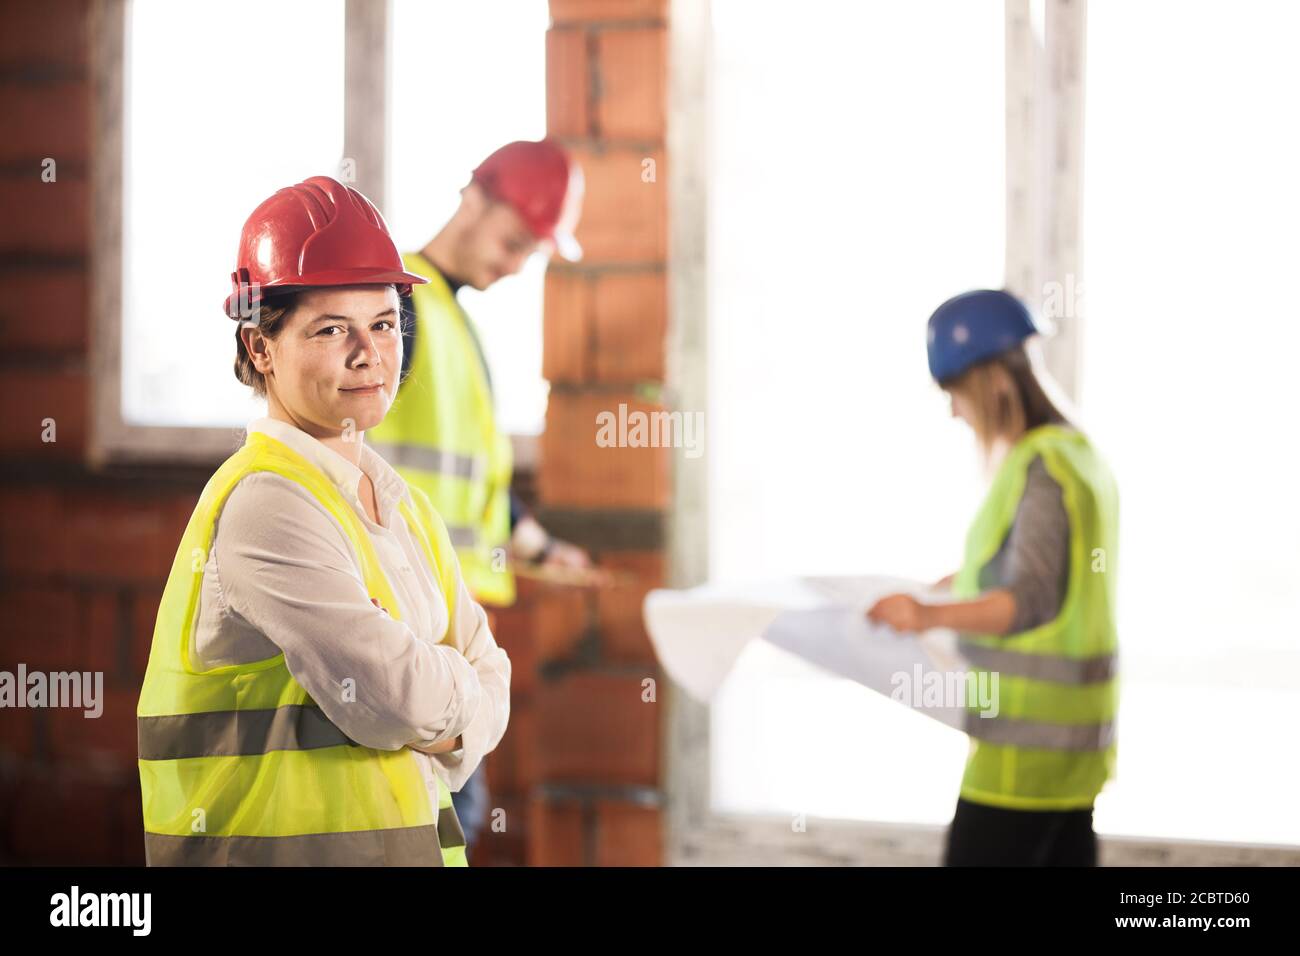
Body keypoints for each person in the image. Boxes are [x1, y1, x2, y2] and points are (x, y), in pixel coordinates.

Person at [136, 175, 511, 866]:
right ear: (260, 350)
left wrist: (441, 705)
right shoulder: (266, 505)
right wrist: (452, 699)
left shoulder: (405, 510)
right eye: (332, 329)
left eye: (384, 324)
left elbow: (492, 682)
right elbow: (398, 698)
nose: (369, 353)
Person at [365, 139, 597, 852]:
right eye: (512, 241)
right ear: (473, 197)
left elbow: (476, 493)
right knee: (427, 835)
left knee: (444, 833)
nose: (515, 263)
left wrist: (542, 548)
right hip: (403, 635)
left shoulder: (448, 320)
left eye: (531, 252)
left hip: (447, 636)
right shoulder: (396, 307)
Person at [867, 289, 1120, 867]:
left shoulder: (1041, 467)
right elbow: (1042, 567)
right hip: (1074, 749)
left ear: (992, 383)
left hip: (1024, 755)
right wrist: (955, 583)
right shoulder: (1080, 457)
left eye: (955, 393)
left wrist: (926, 615)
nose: (955, 411)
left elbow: (1030, 598)